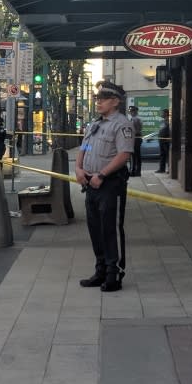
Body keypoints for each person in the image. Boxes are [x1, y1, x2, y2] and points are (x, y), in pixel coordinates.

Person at [75, 81, 134, 292]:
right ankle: (100, 270)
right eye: (97, 99)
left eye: (103, 99)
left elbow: (124, 154)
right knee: (95, 228)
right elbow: (85, 146)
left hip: (110, 183)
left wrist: (102, 174)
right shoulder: (95, 124)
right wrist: (78, 168)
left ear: (116, 101)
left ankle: (113, 273)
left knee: (111, 228)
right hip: (90, 182)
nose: (98, 102)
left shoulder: (122, 124)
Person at [128, 106, 143, 176]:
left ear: (134, 112)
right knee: (137, 156)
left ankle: (133, 171)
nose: (130, 112)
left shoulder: (135, 119)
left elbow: (133, 130)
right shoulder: (137, 118)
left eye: (131, 111)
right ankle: (137, 171)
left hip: (135, 138)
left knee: (134, 156)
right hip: (137, 138)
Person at [156, 108, 170, 173]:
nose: (161, 114)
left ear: (166, 113)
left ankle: (170, 169)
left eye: (162, 113)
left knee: (168, 155)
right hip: (161, 141)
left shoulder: (168, 121)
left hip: (165, 141)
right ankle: (162, 169)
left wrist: (168, 138)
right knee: (162, 155)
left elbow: (170, 131)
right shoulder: (163, 121)